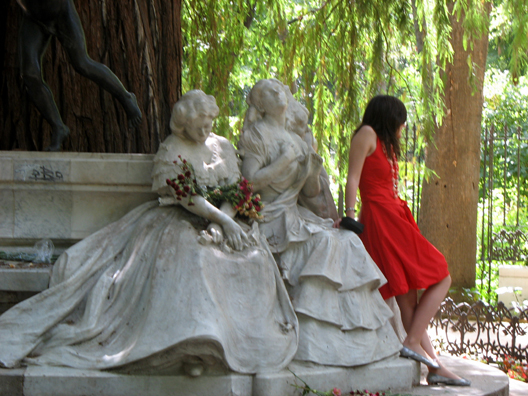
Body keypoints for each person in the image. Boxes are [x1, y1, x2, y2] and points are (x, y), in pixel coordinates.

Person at [0, 90, 298, 376]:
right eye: (199, 125)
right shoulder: (173, 148)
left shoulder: (223, 147)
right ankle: (191, 347)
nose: (205, 129)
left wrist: (224, 225)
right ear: (184, 122)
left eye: (209, 123)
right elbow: (186, 197)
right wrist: (222, 222)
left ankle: (237, 344)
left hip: (222, 222)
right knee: (192, 257)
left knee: (253, 257)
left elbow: (236, 192)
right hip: (176, 220)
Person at [238, 79, 401, 367]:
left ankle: (358, 338)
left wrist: (311, 171)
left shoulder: (296, 140)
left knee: (349, 240)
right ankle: (314, 336)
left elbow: (311, 193)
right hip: (271, 217)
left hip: (296, 215)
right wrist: (284, 161)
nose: (281, 94)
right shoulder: (255, 136)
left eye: (281, 89)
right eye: (271, 92)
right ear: (261, 105)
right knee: (326, 242)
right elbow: (249, 182)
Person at [334, 95, 470, 386]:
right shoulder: (367, 135)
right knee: (442, 273)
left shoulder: (385, 144)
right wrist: (349, 217)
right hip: (381, 218)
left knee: (408, 297)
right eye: (399, 120)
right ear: (387, 116)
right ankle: (411, 342)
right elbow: (353, 179)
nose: (402, 126)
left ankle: (434, 366)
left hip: (395, 214)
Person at [16, 0, 142, 151]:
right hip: (34, 18)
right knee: (30, 74)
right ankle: (58, 127)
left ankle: (126, 97)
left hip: (62, 11)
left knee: (82, 63)